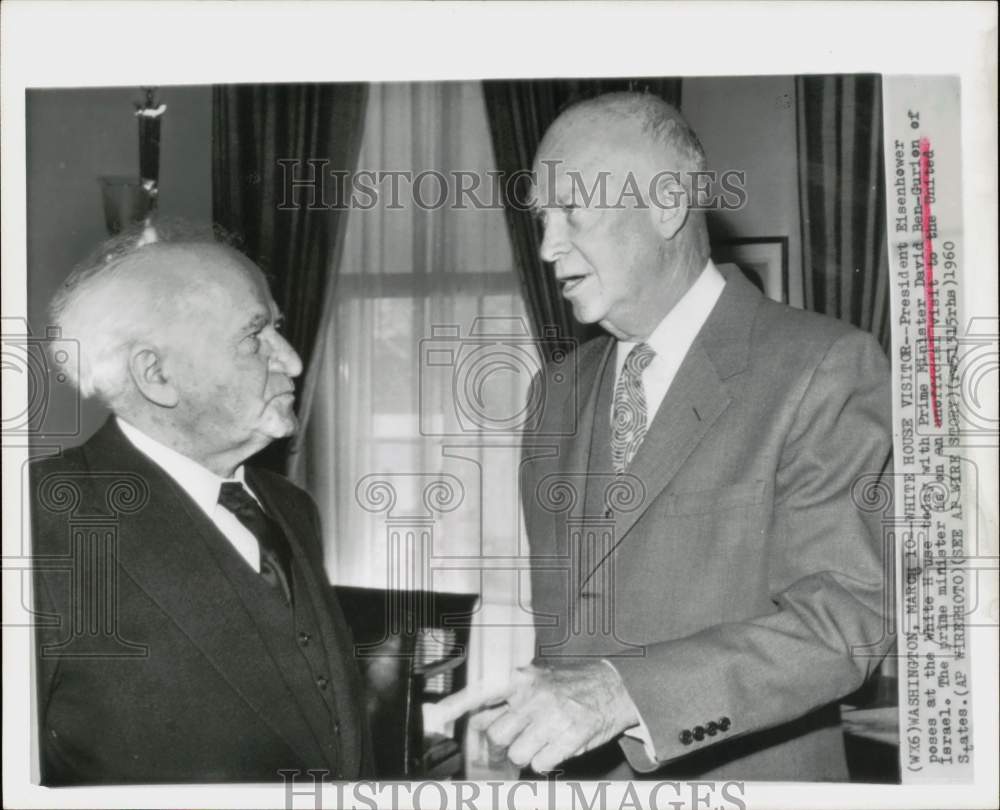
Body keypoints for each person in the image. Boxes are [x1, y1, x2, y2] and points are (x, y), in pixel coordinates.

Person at [445, 93, 893, 781]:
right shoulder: (554, 392)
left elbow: (846, 619)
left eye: (572, 210)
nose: (547, 247)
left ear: (667, 204)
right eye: (541, 219)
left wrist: (622, 695)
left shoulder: (822, 366)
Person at [30, 228, 370, 784]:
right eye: (254, 336)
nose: (292, 361)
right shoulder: (36, 521)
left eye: (278, 328)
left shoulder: (290, 506)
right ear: (157, 375)